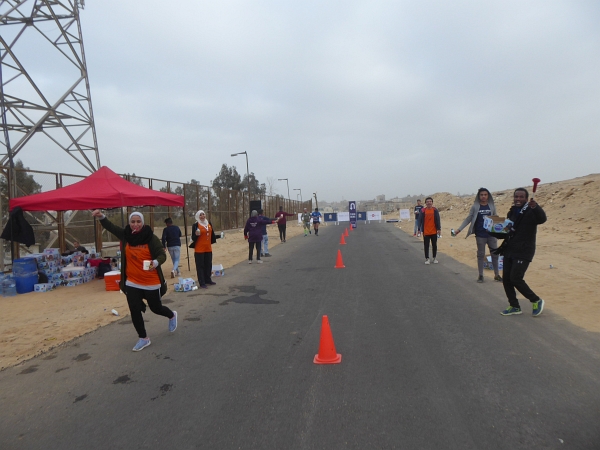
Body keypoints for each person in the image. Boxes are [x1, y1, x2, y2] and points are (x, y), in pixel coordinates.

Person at [92, 210, 176, 352]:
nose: (135, 224)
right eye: (132, 221)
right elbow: (111, 227)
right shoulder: (126, 235)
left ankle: (171, 315)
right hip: (132, 281)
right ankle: (143, 338)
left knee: (156, 308)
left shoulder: (151, 237)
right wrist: (101, 217)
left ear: (142, 223)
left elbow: (162, 254)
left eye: (138, 221)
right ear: (129, 223)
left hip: (151, 281)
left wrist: (155, 263)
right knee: (134, 310)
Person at [495, 188, 547, 317]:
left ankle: (536, 300)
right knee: (506, 280)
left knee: (516, 278)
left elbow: (542, 219)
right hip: (509, 249)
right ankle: (514, 306)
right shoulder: (512, 212)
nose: (518, 199)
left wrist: (535, 207)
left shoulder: (531, 211)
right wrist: (494, 231)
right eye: (516, 196)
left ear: (526, 198)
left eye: (521, 197)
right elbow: (508, 231)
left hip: (524, 250)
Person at [455, 188, 502, 283]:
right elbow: (468, 219)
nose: (483, 196)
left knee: (495, 255)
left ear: (488, 196)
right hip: (480, 235)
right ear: (479, 196)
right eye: (481, 195)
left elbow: (495, 218)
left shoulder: (492, 206)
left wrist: (501, 229)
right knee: (481, 255)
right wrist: (459, 229)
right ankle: (481, 275)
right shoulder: (475, 207)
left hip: (491, 235)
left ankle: (497, 275)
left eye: (485, 194)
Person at [189, 210, 220, 288]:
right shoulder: (196, 225)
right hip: (199, 249)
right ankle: (202, 282)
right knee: (200, 266)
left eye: (203, 214)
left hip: (208, 248)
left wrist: (219, 236)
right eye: (200, 215)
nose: (202, 216)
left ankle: (208, 279)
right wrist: (196, 235)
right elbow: (193, 238)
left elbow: (212, 235)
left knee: (208, 264)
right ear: (198, 216)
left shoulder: (209, 223)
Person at [418, 197, 441, 264]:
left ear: (432, 202)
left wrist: (439, 229)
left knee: (434, 245)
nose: (429, 203)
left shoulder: (435, 210)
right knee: (426, 245)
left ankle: (434, 258)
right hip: (426, 232)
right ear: (425, 203)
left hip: (434, 231)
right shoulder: (423, 211)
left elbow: (438, 220)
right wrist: (419, 229)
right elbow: (420, 220)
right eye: (427, 201)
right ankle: (427, 258)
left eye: (430, 201)